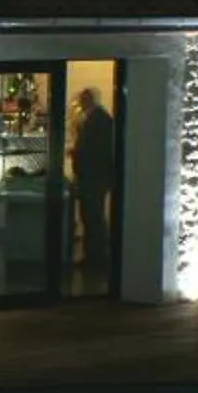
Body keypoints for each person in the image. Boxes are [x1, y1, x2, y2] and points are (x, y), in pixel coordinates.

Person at [70, 87, 118, 268]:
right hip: (95, 176)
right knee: (92, 216)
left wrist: (77, 154)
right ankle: (94, 256)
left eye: (83, 99)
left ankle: (95, 257)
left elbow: (94, 150)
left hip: (93, 177)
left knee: (92, 217)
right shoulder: (99, 118)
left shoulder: (97, 120)